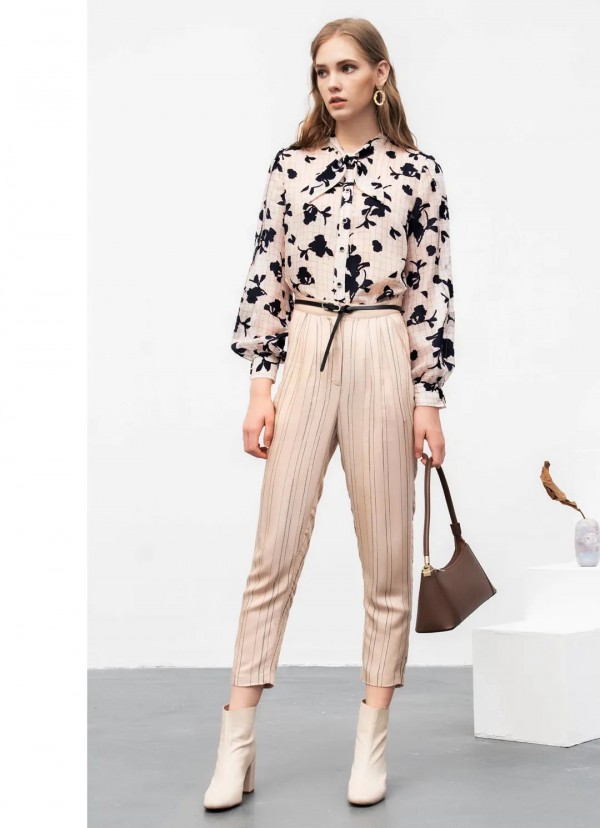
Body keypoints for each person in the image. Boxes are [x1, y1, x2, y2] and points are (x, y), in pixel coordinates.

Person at [204, 16, 455, 811]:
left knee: (386, 557)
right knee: (273, 549)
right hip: (308, 343)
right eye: (322, 71)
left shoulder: (419, 173)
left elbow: (431, 290)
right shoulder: (292, 167)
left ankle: (371, 740)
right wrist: (260, 387)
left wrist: (428, 398)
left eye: (347, 67)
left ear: (380, 73)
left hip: (383, 346)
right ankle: (236, 744)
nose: (333, 82)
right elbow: (266, 273)